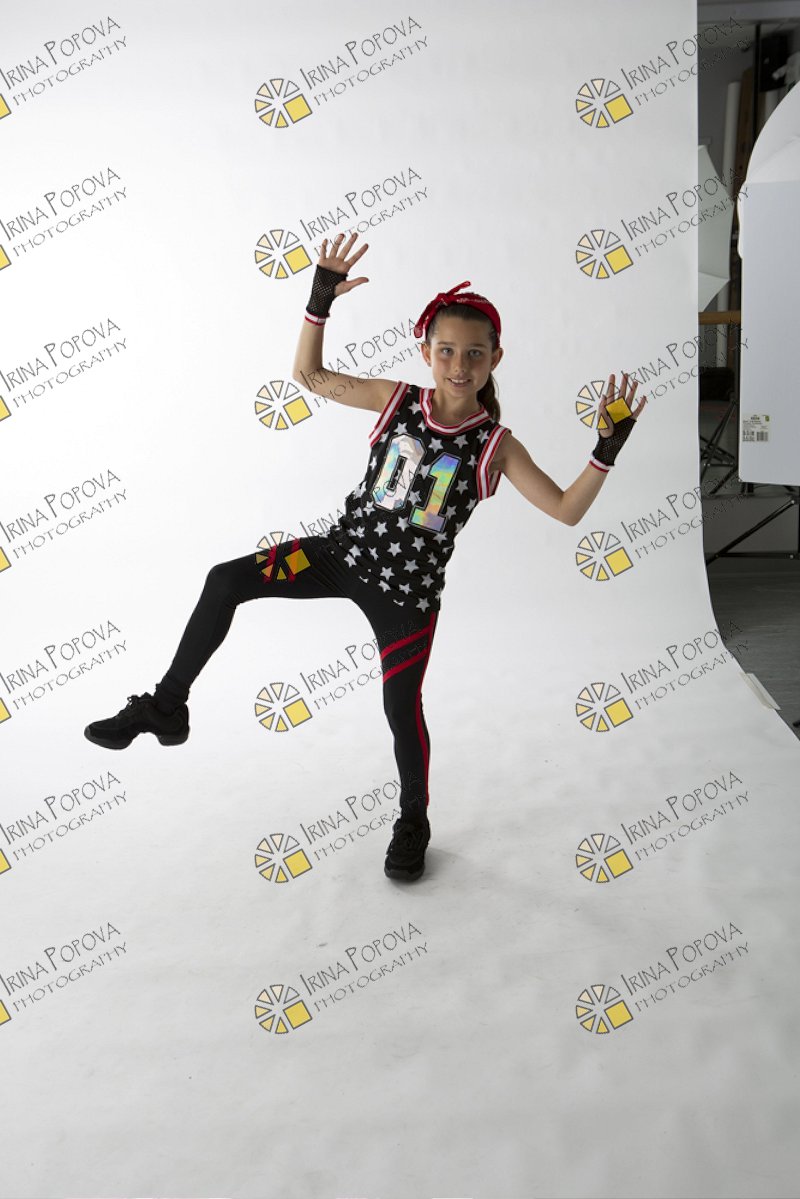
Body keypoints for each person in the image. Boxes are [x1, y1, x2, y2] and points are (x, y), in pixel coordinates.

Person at [84, 232, 647, 881]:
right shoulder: (397, 399)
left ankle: (413, 819)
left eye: (474, 353)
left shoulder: (496, 445)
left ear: (495, 358)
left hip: (406, 597)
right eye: (446, 350)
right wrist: (319, 300)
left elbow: (567, 509)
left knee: (401, 709)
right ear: (425, 351)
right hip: (338, 555)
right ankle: (166, 706)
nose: (458, 365)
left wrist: (605, 450)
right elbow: (309, 376)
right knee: (225, 579)